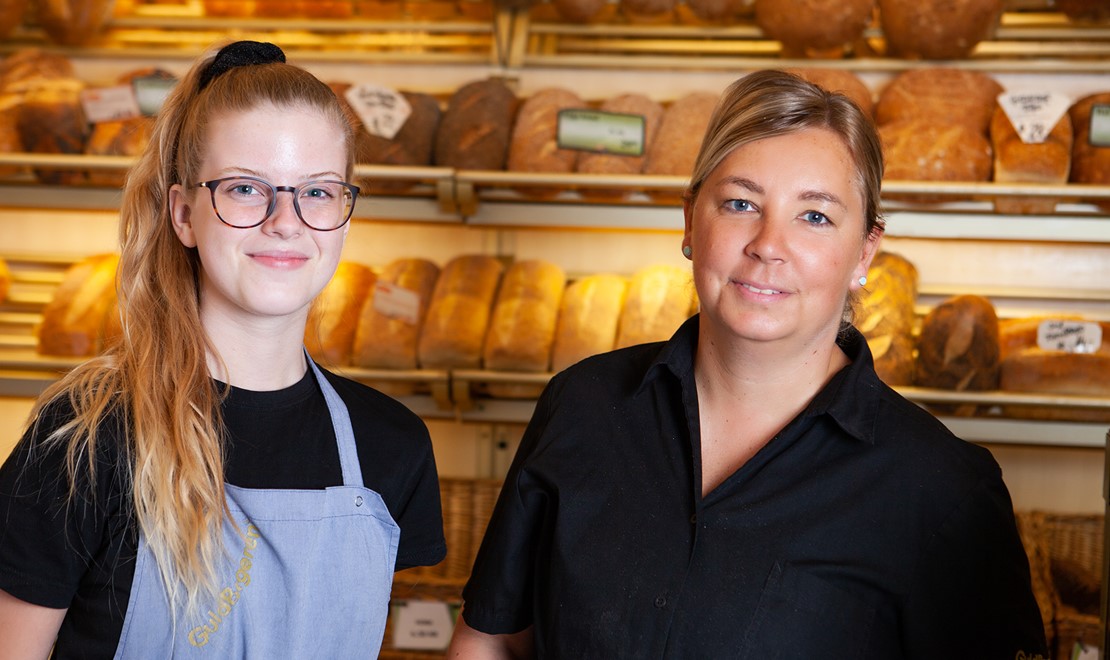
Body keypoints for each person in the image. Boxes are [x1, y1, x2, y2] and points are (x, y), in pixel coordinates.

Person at [448, 69, 1048, 659]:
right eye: (739, 203)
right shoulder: (582, 406)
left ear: (865, 252)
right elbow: (493, 637)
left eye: (814, 215)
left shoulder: (943, 491)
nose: (767, 244)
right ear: (690, 222)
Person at [0, 41, 445, 658]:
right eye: (244, 189)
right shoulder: (86, 434)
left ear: (346, 212)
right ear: (184, 214)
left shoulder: (390, 446)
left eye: (317, 192)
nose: (285, 221)